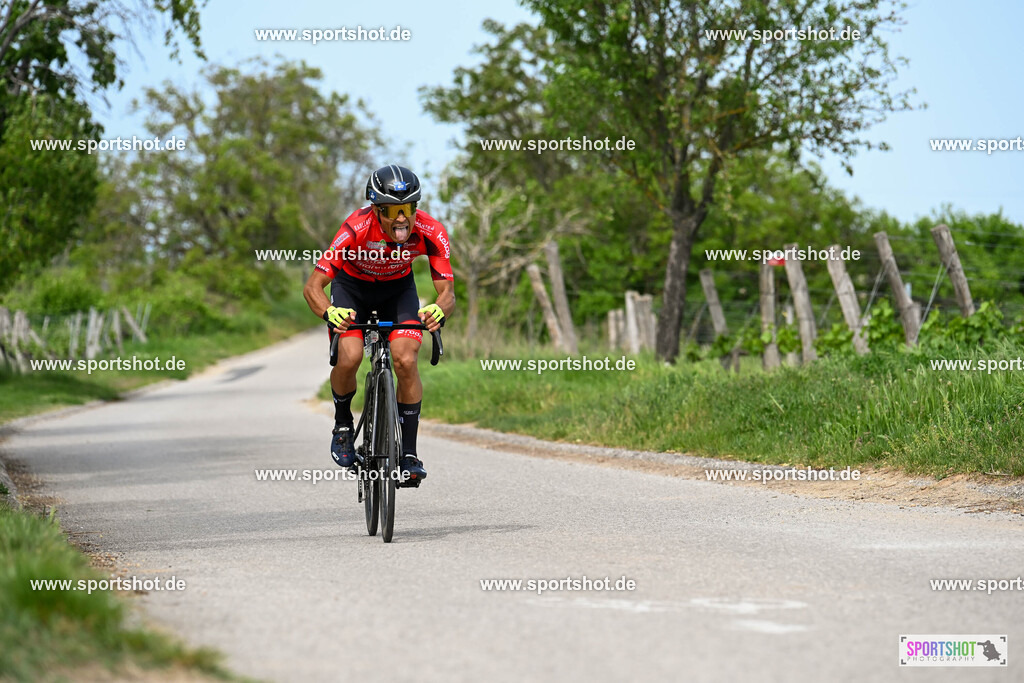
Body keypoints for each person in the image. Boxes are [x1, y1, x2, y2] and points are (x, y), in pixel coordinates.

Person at [302, 165, 455, 486]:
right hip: (351, 289)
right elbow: (313, 287)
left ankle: (409, 455)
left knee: (406, 358)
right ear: (375, 209)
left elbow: (447, 294)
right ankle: (343, 425)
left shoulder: (431, 230)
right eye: (392, 211)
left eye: (409, 208)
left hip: (397, 290)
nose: (402, 218)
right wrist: (330, 313)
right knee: (351, 355)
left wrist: (439, 311)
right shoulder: (355, 228)